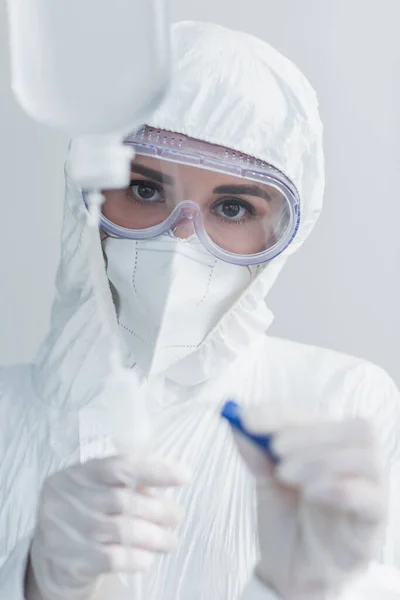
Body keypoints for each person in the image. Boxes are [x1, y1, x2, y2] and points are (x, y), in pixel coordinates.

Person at [0, 20, 399, 600]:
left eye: (233, 207)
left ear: (287, 234)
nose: (181, 241)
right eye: (144, 190)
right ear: (84, 195)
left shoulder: (344, 407)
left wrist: (312, 589)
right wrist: (32, 581)